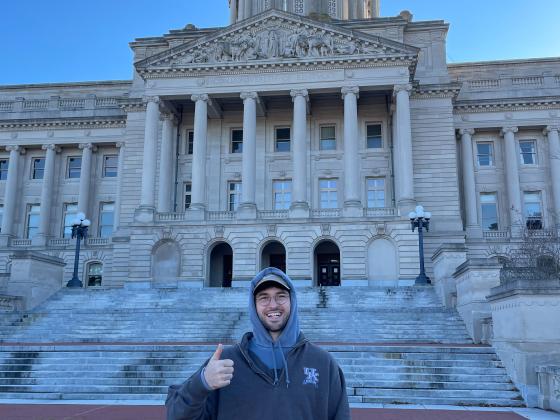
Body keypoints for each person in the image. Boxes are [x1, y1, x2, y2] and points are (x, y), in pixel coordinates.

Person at [166, 267, 351, 420]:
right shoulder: (225, 362)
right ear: (253, 306)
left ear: (292, 301)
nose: (273, 305)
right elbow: (176, 415)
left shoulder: (323, 363)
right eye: (264, 297)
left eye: (281, 296)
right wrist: (202, 383)